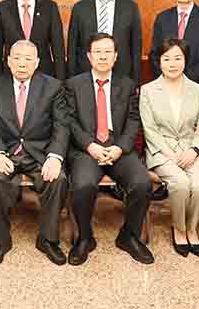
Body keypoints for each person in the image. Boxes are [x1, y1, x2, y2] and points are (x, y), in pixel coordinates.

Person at [64, 33, 153, 265]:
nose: (102, 56)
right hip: (87, 149)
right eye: (98, 52)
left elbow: (133, 120)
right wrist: (90, 145)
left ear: (115, 56)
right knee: (82, 185)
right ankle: (84, 238)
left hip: (118, 148)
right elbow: (70, 121)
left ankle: (129, 236)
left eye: (107, 52)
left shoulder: (127, 84)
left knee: (142, 184)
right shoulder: (74, 85)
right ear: (89, 56)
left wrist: (120, 148)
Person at [0, 40, 70, 266]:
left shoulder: (53, 87)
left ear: (37, 62)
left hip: (39, 153)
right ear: (8, 61)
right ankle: (1, 241)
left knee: (58, 179)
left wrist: (54, 157)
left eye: (28, 58)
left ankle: (48, 239)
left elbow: (61, 125)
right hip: (7, 153)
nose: (22, 63)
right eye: (17, 58)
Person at [140, 37, 199, 258]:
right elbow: (149, 128)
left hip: (191, 150)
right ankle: (179, 229)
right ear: (159, 62)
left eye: (177, 58)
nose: (172, 63)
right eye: (167, 58)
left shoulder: (198, 90)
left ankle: (192, 228)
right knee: (179, 183)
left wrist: (194, 150)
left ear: (185, 60)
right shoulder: (148, 90)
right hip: (162, 151)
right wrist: (168, 153)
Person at [67, 0, 142, 83]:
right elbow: (72, 47)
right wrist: (71, 81)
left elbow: (136, 48)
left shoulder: (131, 7)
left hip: (122, 76)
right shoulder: (79, 8)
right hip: (85, 75)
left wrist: (135, 82)